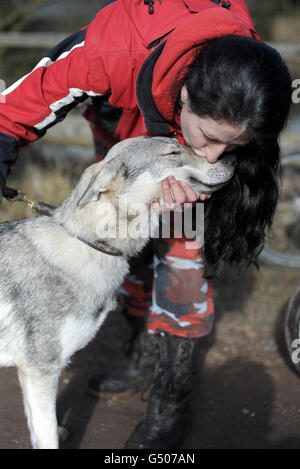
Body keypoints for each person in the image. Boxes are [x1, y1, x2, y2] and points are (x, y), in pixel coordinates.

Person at [0, 0, 292, 449]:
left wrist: (211, 166)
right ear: (188, 95)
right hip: (123, 132)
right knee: (117, 237)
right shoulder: (107, 52)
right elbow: (14, 110)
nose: (216, 154)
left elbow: (222, 149)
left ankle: (170, 399)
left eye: (232, 145)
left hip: (181, 152)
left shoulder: (247, 72)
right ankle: (139, 346)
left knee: (184, 247)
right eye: (212, 139)